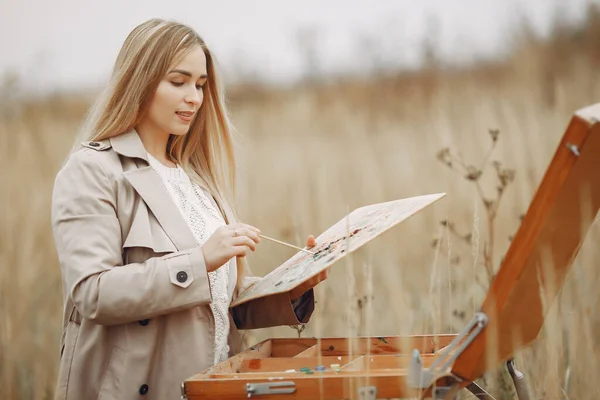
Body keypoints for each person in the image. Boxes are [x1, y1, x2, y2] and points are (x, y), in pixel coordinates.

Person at [51, 18, 327, 400]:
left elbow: (215, 304)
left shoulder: (196, 179)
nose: (195, 97)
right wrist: (199, 260)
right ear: (140, 80)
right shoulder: (92, 171)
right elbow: (93, 293)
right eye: (178, 82)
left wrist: (294, 286)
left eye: (200, 85)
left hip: (216, 387)